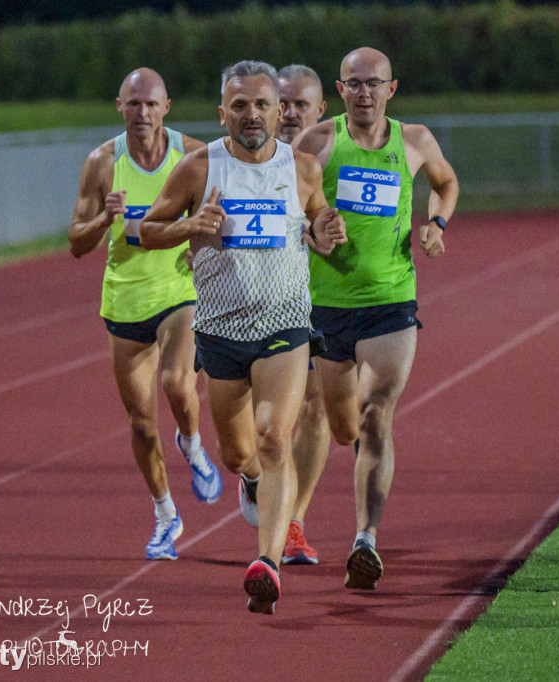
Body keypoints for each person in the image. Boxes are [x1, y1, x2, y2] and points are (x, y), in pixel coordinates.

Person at [139, 60, 347, 614]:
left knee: (276, 438)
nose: (251, 114)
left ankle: (268, 564)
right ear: (222, 112)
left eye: (261, 104)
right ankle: (251, 480)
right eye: (239, 105)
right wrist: (188, 227)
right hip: (221, 333)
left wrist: (327, 232)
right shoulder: (197, 167)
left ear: (280, 112)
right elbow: (147, 230)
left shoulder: (301, 168)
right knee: (239, 454)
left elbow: (321, 224)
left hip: (284, 326)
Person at [293, 46, 459, 590]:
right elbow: (286, 207)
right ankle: (355, 490)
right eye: (354, 83)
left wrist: (436, 223)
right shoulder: (316, 144)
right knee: (343, 428)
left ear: (392, 89)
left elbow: (446, 183)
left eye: (375, 83)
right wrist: (313, 234)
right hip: (328, 307)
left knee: (375, 414)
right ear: (339, 91)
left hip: (391, 302)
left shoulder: (415, 142)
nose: (365, 92)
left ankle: (365, 537)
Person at [68, 67, 222, 562]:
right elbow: (75, 243)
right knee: (140, 425)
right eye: (133, 104)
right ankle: (165, 517)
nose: (142, 113)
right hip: (125, 301)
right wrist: (105, 219)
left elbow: (219, 214)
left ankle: (194, 446)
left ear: (167, 107)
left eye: (151, 104)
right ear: (119, 107)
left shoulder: (193, 155)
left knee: (177, 383)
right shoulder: (101, 163)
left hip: (179, 291)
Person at [275, 63, 330, 565]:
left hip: (322, 303)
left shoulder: (335, 161)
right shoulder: (239, 156)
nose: (290, 113)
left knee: (317, 409)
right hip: (253, 308)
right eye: (283, 103)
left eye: (300, 105)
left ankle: (294, 522)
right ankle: (257, 475)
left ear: (321, 111)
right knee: (256, 430)